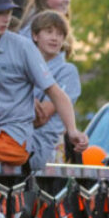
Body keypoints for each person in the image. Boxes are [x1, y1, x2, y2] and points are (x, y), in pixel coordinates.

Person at [0, 0, 87, 165]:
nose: (6, 19)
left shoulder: (23, 48)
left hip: (13, 137)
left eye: (9, 13)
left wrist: (72, 130)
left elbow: (51, 103)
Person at [29, 11, 81, 170]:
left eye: (60, 34)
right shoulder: (24, 66)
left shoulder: (67, 71)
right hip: (20, 146)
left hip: (49, 148)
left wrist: (21, 103)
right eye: (49, 31)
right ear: (35, 35)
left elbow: (42, 116)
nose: (54, 38)